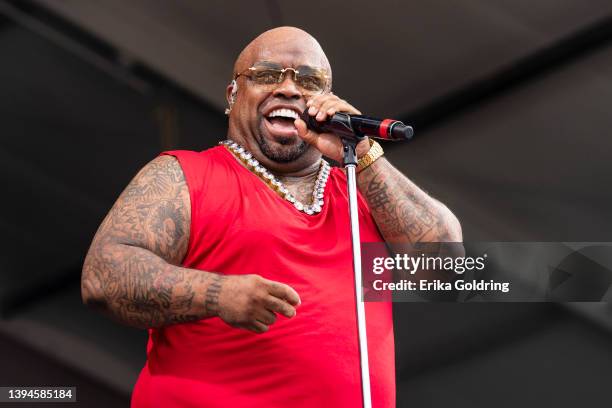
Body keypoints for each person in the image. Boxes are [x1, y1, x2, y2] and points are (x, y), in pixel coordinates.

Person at [82, 26, 461, 408]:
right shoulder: (185, 175)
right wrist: (218, 294)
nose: (290, 90)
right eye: (266, 75)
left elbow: (446, 270)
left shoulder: (360, 192)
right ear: (233, 96)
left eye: (310, 81)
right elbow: (104, 276)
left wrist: (362, 153)